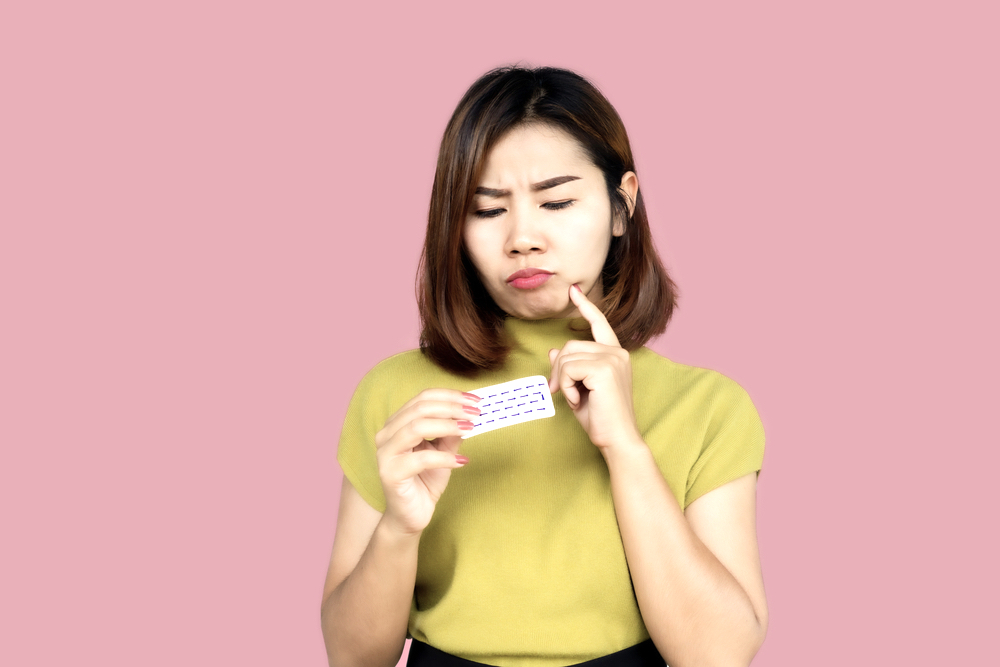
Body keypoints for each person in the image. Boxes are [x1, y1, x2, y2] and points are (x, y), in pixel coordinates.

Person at [321, 66, 768, 667]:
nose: (523, 238)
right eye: (486, 210)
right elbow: (352, 658)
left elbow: (718, 656)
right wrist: (399, 528)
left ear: (622, 204)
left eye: (556, 202)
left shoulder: (709, 407)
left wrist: (625, 448)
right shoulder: (395, 394)